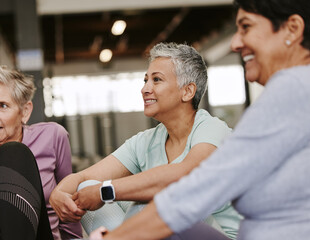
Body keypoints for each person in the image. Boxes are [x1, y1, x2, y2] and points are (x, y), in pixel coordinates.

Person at [89, 0, 310, 239]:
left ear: (293, 29)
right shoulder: (297, 90)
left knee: (162, 204)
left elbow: (197, 189)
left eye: (246, 27)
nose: (236, 43)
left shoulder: (293, 89)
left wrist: (115, 233)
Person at [50, 42, 242, 239]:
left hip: (218, 235)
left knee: (153, 200)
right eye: (145, 80)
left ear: (187, 91)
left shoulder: (212, 129)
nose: (145, 89)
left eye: (156, 80)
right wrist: (58, 193)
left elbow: (183, 178)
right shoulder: (146, 141)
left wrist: (105, 191)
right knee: (86, 187)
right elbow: (82, 179)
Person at [0, 64, 82, 239]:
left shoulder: (52, 136)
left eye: (2, 106)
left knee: (13, 153)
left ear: (25, 111)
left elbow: (68, 203)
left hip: (40, 235)